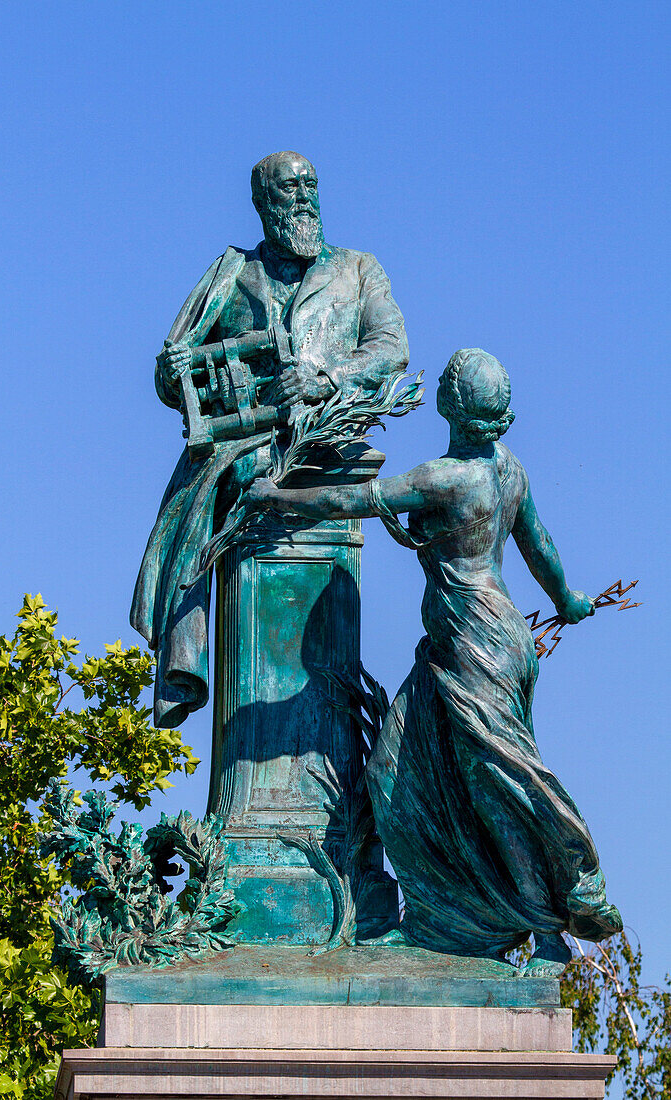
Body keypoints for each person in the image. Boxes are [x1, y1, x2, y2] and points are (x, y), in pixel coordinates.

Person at [244, 347, 622, 975]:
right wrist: (570, 600)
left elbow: (359, 500)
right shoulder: (510, 472)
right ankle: (437, 920)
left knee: (496, 777)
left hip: (475, 643)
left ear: (449, 406)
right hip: (479, 642)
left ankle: (557, 909)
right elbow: (540, 546)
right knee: (397, 767)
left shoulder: (446, 478)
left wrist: (279, 498)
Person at [130, 151, 408, 728]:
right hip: (247, 452)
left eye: (311, 184)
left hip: (328, 454)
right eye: (289, 188)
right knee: (215, 485)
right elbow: (169, 379)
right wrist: (173, 366)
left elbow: (390, 348)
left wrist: (327, 377)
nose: (305, 195)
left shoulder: (359, 269)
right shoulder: (232, 275)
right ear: (262, 204)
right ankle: (189, 654)